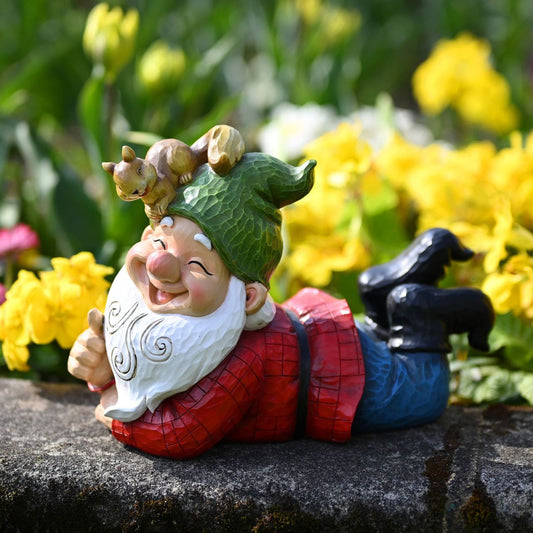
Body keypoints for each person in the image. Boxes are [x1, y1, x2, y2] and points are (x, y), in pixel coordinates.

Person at [68, 145, 494, 459]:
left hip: (364, 384)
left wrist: (111, 407)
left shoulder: (242, 359)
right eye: (159, 242)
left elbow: (180, 432)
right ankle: (405, 279)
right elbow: (155, 380)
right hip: (328, 341)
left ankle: (421, 305)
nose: (160, 266)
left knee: (423, 378)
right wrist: (109, 373)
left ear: (248, 297)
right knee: (378, 307)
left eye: (196, 265)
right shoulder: (190, 327)